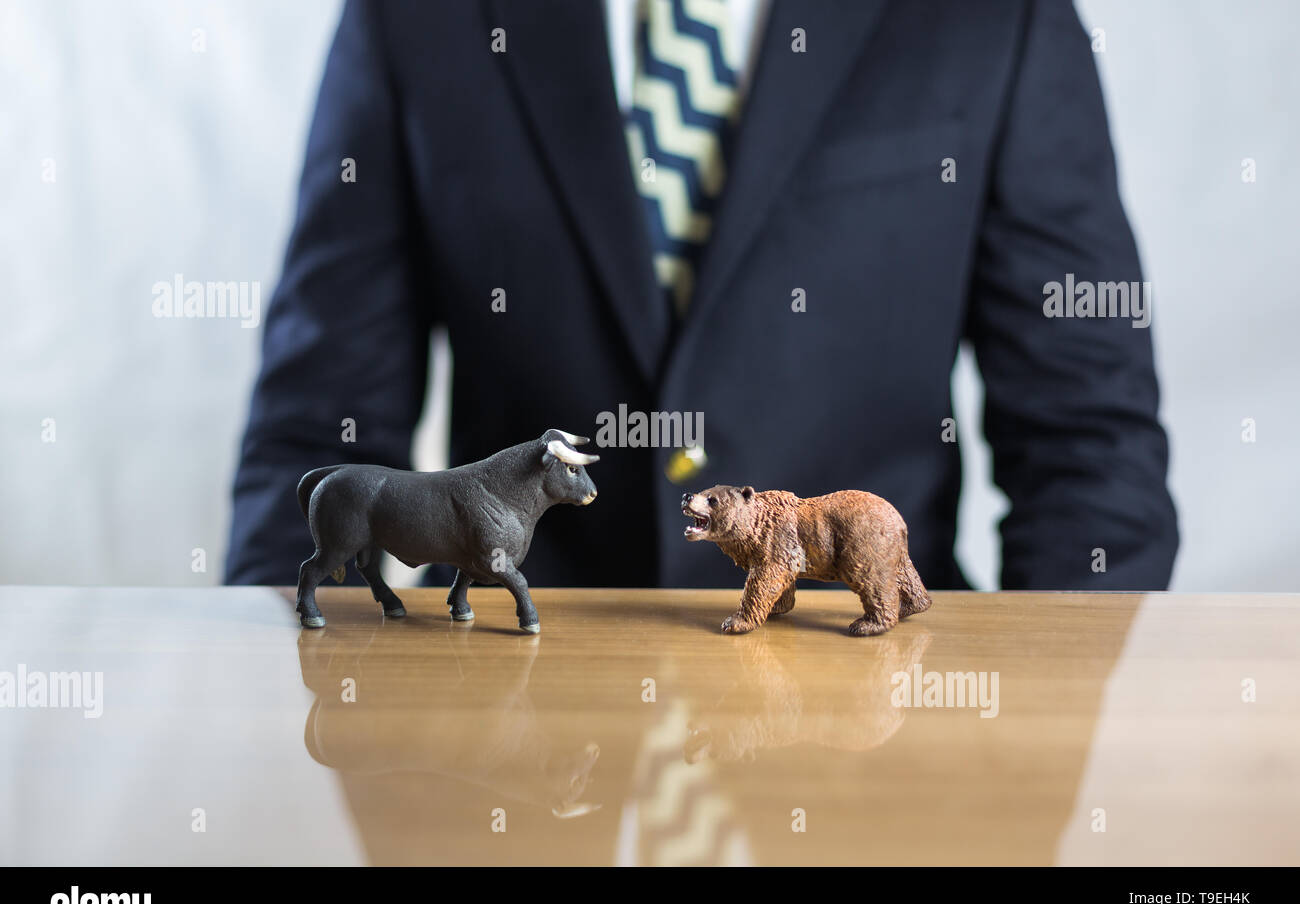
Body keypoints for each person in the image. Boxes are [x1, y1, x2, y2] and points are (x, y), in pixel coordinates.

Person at [226, 0, 1178, 592]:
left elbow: (1090, 445)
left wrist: (1021, 763)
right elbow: (318, 437)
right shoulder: (413, 15)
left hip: (878, 752)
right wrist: (322, 721)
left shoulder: (996, 14)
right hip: (512, 756)